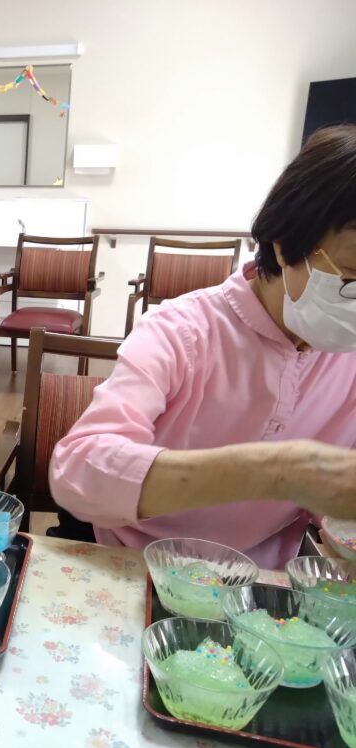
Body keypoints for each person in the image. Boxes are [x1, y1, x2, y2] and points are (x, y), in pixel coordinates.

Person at [49, 125, 356, 568]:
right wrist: (279, 472)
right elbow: (79, 469)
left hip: (258, 586)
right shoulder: (183, 333)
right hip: (135, 569)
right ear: (287, 246)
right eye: (349, 275)